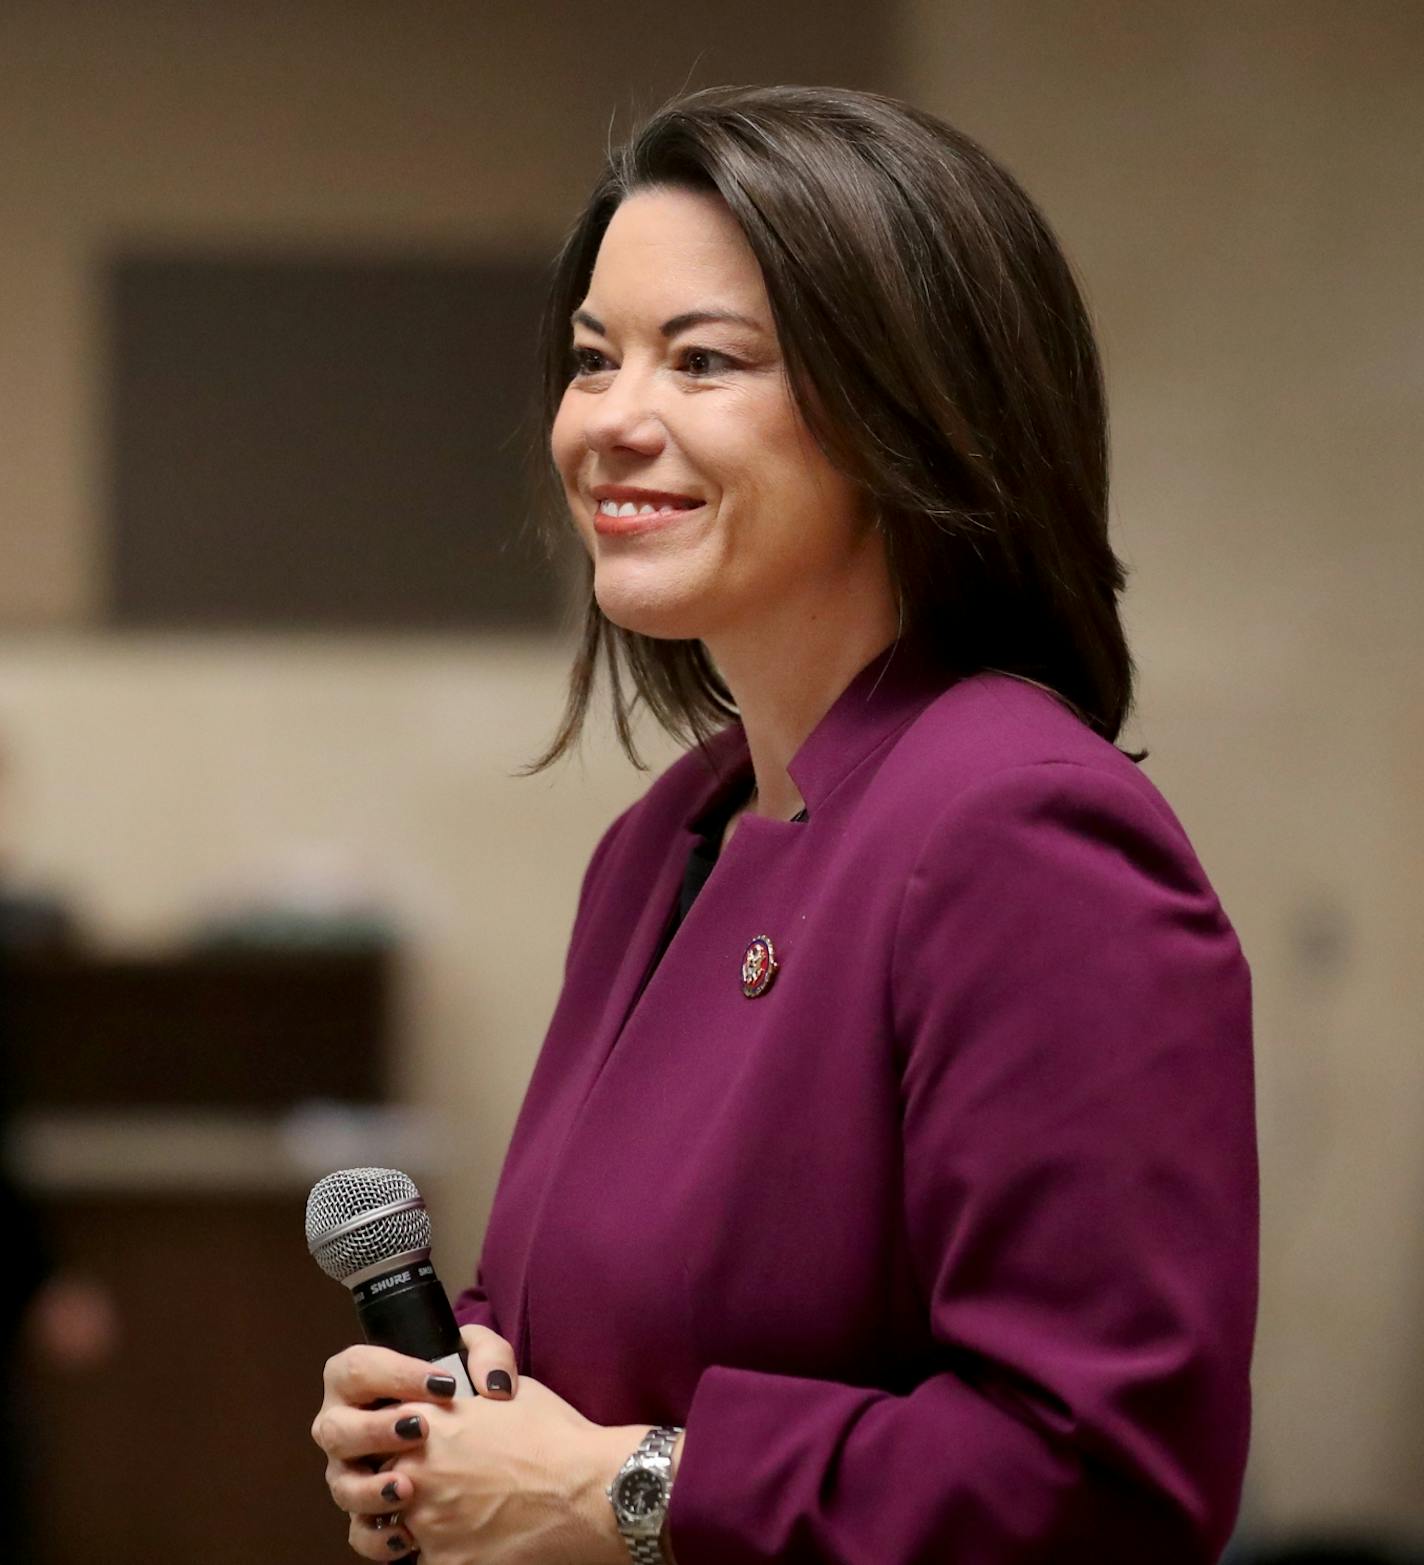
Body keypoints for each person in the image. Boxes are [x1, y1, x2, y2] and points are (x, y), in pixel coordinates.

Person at [312, 84, 1257, 1565]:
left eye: (703, 361)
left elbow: (1106, 1485)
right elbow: (580, 1315)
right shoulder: (664, 840)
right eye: (591, 359)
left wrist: (605, 1491)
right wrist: (454, 1407)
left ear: (905, 407)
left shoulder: (1025, 828)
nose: (613, 422)